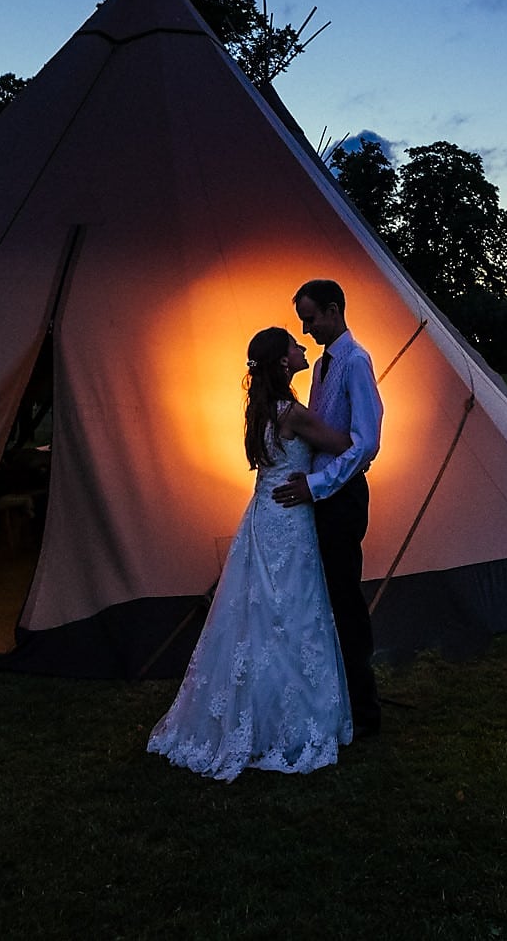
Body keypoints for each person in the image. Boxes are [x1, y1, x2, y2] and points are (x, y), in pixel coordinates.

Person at [146, 327, 354, 779]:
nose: (302, 350)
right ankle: (286, 720)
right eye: (295, 348)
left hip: (261, 517)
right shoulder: (292, 413)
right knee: (293, 613)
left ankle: (253, 712)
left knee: (256, 617)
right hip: (291, 517)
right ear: (283, 362)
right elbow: (341, 443)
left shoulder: (259, 410)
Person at [271, 278, 384, 735]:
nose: (307, 328)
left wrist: (317, 485)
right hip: (318, 496)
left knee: (344, 597)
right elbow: (319, 434)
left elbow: (365, 444)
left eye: (311, 318)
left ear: (334, 310)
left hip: (342, 497)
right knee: (323, 597)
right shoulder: (320, 366)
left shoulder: (356, 362)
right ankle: (332, 698)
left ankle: (365, 709)